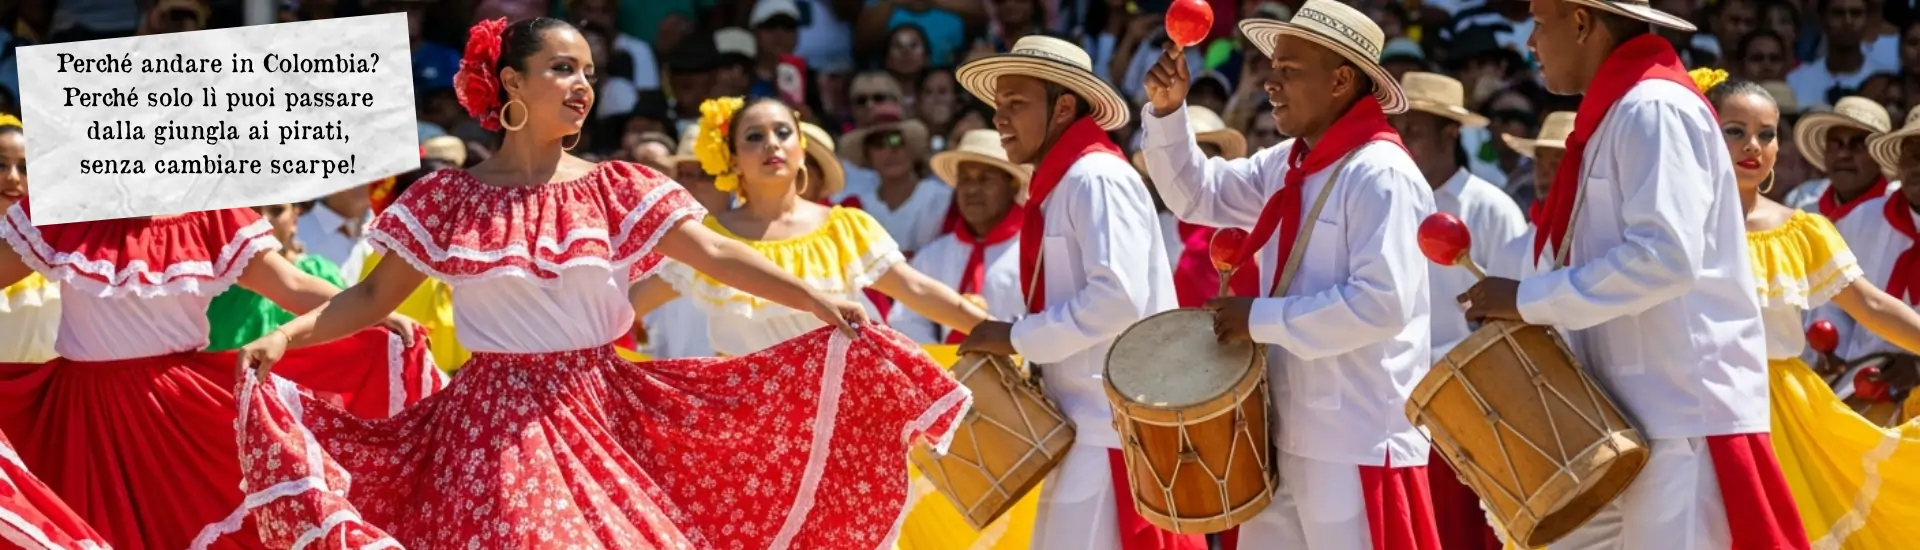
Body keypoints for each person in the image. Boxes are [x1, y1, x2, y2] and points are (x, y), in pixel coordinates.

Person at [232, 18, 972, 548]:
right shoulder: (449, 199)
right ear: (511, 82)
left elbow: (714, 252)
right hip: (491, 431)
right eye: (562, 68)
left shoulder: (617, 186)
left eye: (588, 70)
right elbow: (368, 299)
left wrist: (817, 298)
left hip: (604, 414)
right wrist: (289, 335)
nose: (582, 83)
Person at [1456, 0, 1810, 545]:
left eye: (1539, 23)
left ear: (1580, 22)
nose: (1529, 43)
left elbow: (1664, 258)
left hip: (1679, 418)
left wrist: (1527, 299)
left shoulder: (1654, 107)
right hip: (1616, 421)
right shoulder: (1621, 111)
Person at [1141, 2, 1442, 548]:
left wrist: (1258, 317)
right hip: (1285, 433)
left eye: (1289, 70)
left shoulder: (1382, 173)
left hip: (1354, 438)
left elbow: (1381, 304)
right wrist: (1166, 114)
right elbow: (1195, 194)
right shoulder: (1289, 162)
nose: (1269, 83)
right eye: (1272, 68)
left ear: (1341, 80)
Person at [0, 191, 436, 550]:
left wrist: (373, 315)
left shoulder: (205, 211)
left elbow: (292, 285)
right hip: (85, 415)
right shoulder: (64, 208)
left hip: (177, 411)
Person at [954, 35, 1193, 550]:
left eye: (1015, 105)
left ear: (1063, 106)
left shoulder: (1096, 177)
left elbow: (1118, 299)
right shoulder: (1069, 179)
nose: (999, 119)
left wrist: (1015, 336)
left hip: (1110, 431)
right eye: (999, 106)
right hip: (1083, 428)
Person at [1698, 70, 1920, 550]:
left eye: (1766, 134)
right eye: (1734, 131)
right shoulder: (1672, 226)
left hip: (1778, 410)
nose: (1752, 145)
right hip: (1687, 404)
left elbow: (1870, 304)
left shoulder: (1802, 229)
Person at [631, 96, 991, 357]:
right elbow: (629, 305)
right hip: (749, 428)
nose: (771, 142)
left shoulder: (844, 228)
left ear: (801, 150)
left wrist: (1000, 333)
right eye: (754, 136)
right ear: (733, 160)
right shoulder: (709, 239)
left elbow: (915, 288)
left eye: (783, 132)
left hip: (840, 415)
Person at [1396, 70, 1526, 550]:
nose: (1403, 142)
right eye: (1398, 130)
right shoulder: (1385, 202)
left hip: (1473, 402)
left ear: (1450, 133)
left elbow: (1514, 315)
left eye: (1414, 130)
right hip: (1395, 400)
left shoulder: (1491, 209)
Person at [1820, 108, 1920, 413]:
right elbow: (1833, 298)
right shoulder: (1861, 220)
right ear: (1898, 163)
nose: (1917, 166)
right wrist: (1831, 350)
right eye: (1911, 155)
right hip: (1864, 390)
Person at [890, 129, 1030, 344]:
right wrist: (939, 366)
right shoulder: (934, 254)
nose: (972, 189)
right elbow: (905, 320)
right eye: (965, 179)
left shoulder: (1033, 251)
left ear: (1011, 186)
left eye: (985, 179)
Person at [1128, 105, 1260, 307]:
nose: (1190, 169)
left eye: (1201, 159)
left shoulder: (1244, 228)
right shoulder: (1150, 227)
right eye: (1182, 160)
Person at [203, 202, 350, 352]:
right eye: (250, 210)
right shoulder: (209, 281)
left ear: (295, 218)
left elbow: (352, 332)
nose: (263, 218)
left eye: (276, 210)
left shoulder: (323, 273)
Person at [1782, 96, 1896, 221]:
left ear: (1879, 156)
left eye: (1858, 145)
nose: (1843, 154)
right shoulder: (1805, 213)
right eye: (1835, 144)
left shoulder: (1899, 212)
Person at [0, 115, 56, 364]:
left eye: (25, 168)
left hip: (54, 393)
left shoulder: (62, 242)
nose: (12, 178)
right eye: (0, 165)